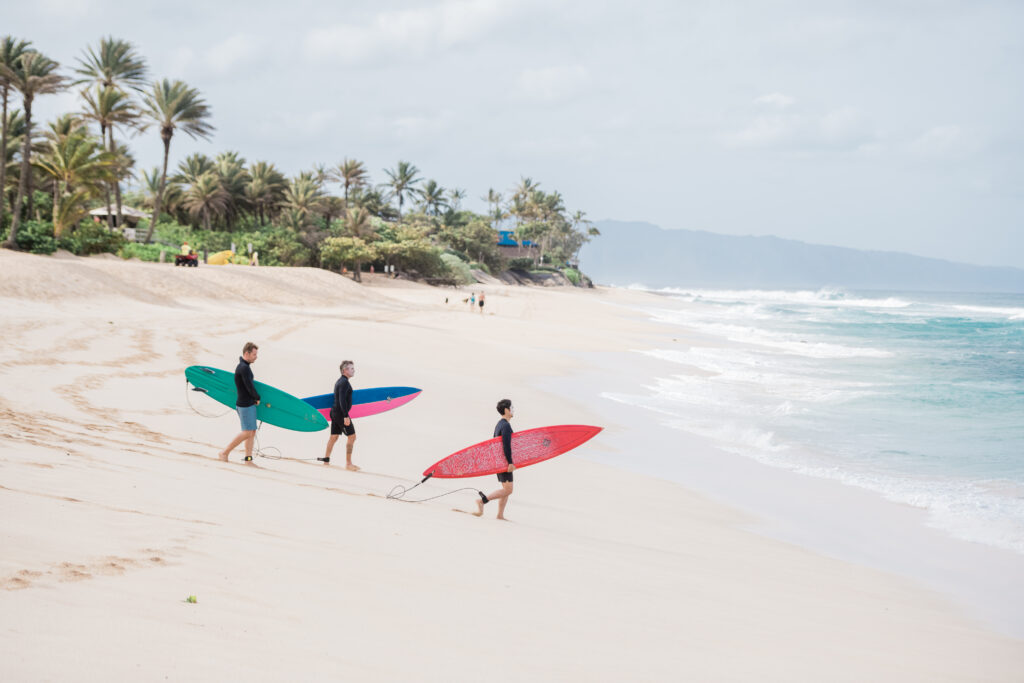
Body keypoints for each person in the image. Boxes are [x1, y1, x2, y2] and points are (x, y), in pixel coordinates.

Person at [473, 398, 516, 520]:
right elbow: (506, 445)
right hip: (504, 461)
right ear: (506, 410)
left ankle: (500, 515)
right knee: (509, 490)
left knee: (506, 489)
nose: (513, 410)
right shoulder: (506, 426)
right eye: (512, 407)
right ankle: (482, 501)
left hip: (500, 461)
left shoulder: (499, 424)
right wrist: (510, 462)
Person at [219, 342, 260, 464]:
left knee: (251, 431)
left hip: (247, 403)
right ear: (246, 353)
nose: (256, 357)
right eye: (254, 354)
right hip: (245, 404)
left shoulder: (244, 366)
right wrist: (257, 397)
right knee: (247, 432)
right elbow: (249, 386)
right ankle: (224, 452)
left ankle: (248, 460)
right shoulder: (243, 368)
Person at [319, 360, 358, 470]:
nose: (353, 370)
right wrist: (345, 416)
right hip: (340, 413)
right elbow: (342, 400)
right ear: (345, 370)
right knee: (352, 436)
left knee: (334, 436)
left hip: (335, 412)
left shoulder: (340, 381)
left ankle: (326, 459)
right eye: (351, 368)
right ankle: (348, 463)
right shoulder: (344, 382)